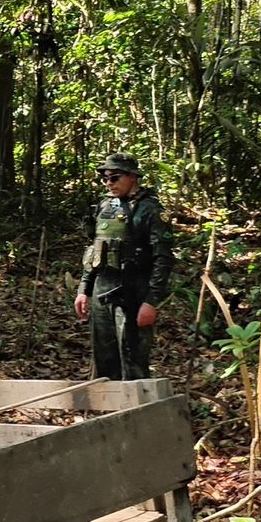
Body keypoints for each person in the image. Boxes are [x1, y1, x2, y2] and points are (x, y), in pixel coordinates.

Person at [74, 154, 174, 381]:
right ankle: (109, 413)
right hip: (103, 288)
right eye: (105, 178)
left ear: (132, 177)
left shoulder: (150, 210)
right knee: (104, 363)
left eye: (115, 177)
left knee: (133, 362)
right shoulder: (104, 206)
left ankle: (138, 414)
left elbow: (163, 258)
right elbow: (95, 250)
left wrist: (151, 301)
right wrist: (84, 290)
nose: (109, 183)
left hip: (133, 291)